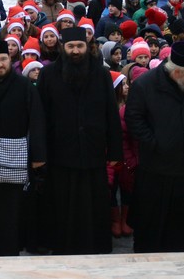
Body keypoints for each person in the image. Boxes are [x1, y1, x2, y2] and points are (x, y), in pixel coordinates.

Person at [38, 26, 122, 255]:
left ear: (87, 47)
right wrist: (40, 153)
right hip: (60, 153)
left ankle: (95, 247)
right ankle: (62, 246)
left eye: (79, 46)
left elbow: (111, 115)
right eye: (71, 46)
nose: (75, 51)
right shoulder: (48, 75)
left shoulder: (101, 74)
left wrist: (115, 151)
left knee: (92, 204)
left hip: (92, 151)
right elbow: (40, 118)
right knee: (62, 204)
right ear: (63, 48)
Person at [124, 40, 184, 253]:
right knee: (153, 227)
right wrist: (155, 143)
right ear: (177, 72)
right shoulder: (145, 85)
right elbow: (134, 119)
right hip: (157, 170)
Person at [0, 38, 47, 256]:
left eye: (3, 59)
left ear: (10, 60)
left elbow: (37, 120)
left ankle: (14, 248)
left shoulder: (25, 86)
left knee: (15, 208)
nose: (0, 64)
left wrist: (38, 155)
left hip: (18, 157)